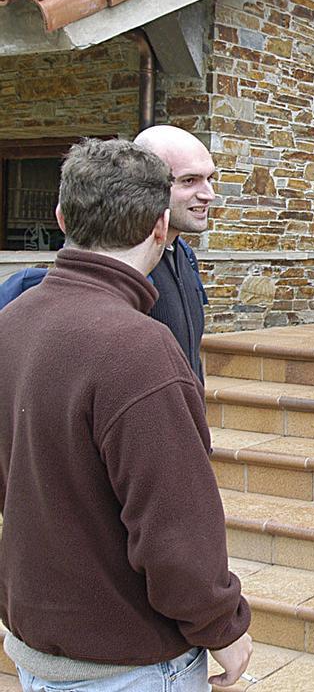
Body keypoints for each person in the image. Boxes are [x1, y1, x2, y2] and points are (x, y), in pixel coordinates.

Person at [0, 138, 252, 690]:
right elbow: (173, 527)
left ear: (62, 216)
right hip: (127, 661)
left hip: (36, 647)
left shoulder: (10, 321)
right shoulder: (138, 348)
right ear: (162, 226)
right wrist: (223, 627)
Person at [134, 125, 215, 383]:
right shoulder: (126, 264)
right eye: (189, 181)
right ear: (145, 185)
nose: (208, 195)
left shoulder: (184, 255)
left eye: (209, 179)